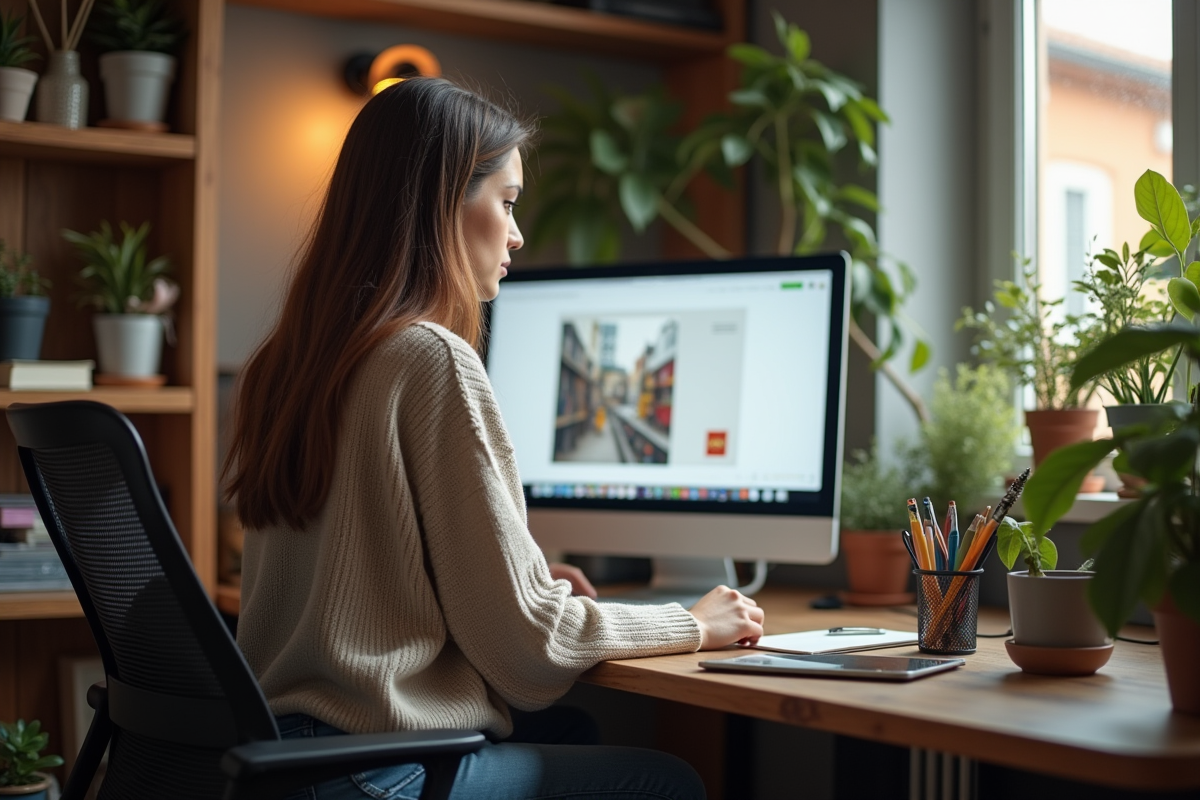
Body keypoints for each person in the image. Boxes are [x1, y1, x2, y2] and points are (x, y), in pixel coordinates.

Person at [223, 77, 765, 800]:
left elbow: (373, 579)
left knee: (574, 735)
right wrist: (691, 623)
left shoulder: (287, 362)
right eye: (505, 202)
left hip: (282, 760)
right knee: (663, 782)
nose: (516, 233)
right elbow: (530, 657)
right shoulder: (431, 358)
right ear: (441, 202)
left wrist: (521, 581)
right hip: (377, 768)